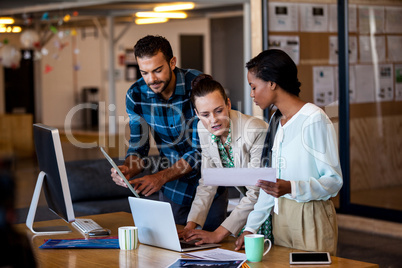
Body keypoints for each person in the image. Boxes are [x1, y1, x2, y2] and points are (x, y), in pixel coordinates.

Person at [111, 35, 227, 229]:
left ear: (172, 62)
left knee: (216, 251)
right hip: (173, 191)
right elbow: (138, 145)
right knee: (171, 251)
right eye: (144, 73)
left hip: (210, 187)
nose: (152, 79)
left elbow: (205, 148)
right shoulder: (136, 95)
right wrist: (128, 168)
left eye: (157, 70)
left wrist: (160, 177)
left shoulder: (199, 85)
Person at [234, 49, 343, 256]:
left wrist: (291, 187)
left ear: (272, 83)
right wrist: (251, 227)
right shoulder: (276, 120)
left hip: (310, 217)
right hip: (280, 216)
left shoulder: (314, 119)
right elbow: (271, 184)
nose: (252, 94)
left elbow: (333, 181)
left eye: (254, 86)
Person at [178, 74, 270, 245]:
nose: (213, 120)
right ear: (197, 113)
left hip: (270, 207)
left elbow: (257, 191)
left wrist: (217, 234)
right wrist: (190, 227)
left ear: (228, 104)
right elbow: (208, 182)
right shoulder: (202, 128)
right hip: (249, 210)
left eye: (219, 110)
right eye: (205, 114)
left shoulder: (255, 130)